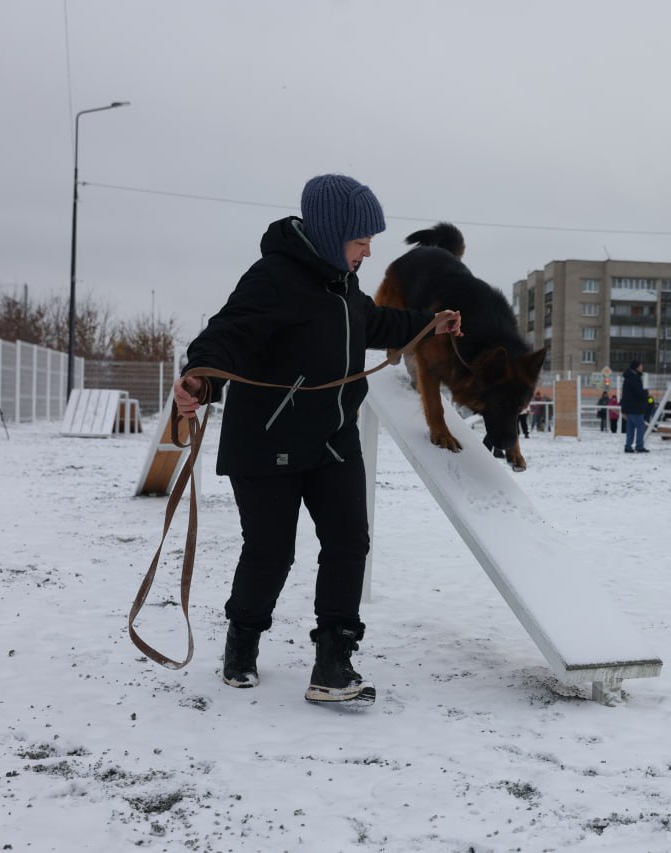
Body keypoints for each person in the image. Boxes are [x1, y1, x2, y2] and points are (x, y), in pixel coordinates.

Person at [172, 174, 462, 706]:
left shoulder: (342, 284)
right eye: (360, 240)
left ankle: (334, 660)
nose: (368, 251)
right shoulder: (273, 279)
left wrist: (429, 323)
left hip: (331, 440)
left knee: (350, 543)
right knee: (270, 552)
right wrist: (200, 377)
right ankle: (242, 643)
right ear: (331, 235)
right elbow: (228, 332)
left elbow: (372, 323)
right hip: (266, 442)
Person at [620, 360, 649, 453]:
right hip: (635, 408)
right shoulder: (635, 378)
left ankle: (628, 446)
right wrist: (646, 393)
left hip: (628, 408)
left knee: (630, 427)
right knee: (641, 426)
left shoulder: (627, 378)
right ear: (636, 367)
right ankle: (639, 446)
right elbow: (639, 393)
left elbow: (624, 395)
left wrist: (623, 409)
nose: (642, 368)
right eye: (641, 366)